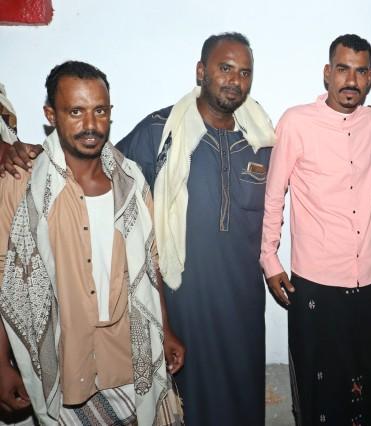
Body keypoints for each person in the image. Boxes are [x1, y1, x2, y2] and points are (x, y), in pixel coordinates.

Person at [1, 32, 275, 424]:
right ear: (201, 71)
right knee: (189, 404)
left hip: (239, 303)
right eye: (225, 68)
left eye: (244, 72)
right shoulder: (159, 133)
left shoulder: (262, 138)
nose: (235, 79)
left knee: (243, 397)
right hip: (181, 305)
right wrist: (11, 149)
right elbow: (85, 162)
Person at [0, 61, 184, 425]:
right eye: (75, 112)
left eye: (99, 111)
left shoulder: (132, 181)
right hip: (62, 361)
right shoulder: (21, 184)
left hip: (131, 356)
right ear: (50, 115)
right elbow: (4, 275)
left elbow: (151, 262)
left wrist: (165, 330)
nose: (90, 125)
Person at [261, 33, 371, 426]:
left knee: (367, 386)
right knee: (319, 389)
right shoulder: (297, 122)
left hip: (370, 279)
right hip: (316, 283)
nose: (351, 80)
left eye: (360, 71)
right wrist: (269, 259)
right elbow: (274, 194)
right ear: (327, 72)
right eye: (343, 69)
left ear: (370, 77)